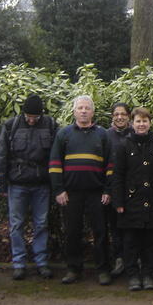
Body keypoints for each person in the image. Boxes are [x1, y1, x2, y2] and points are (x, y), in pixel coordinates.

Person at [49, 95, 113, 286]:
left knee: (101, 232)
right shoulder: (64, 134)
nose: (83, 111)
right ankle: (73, 269)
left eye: (87, 108)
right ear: (74, 111)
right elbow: (54, 164)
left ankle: (103, 269)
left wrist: (107, 190)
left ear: (93, 112)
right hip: (71, 193)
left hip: (97, 192)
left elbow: (111, 165)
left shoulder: (102, 134)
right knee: (72, 232)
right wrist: (59, 189)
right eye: (80, 108)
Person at [110, 107, 153, 291]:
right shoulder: (123, 145)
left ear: (150, 123)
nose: (141, 124)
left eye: (145, 121)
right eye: (138, 121)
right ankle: (133, 276)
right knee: (130, 242)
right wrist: (118, 202)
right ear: (132, 123)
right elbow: (118, 176)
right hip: (130, 203)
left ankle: (147, 274)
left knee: (150, 243)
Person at [0, 94, 58, 281]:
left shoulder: (51, 125)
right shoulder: (11, 125)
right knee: (16, 225)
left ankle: (41, 262)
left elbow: (56, 157)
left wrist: (56, 185)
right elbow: (2, 156)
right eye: (29, 117)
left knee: (42, 224)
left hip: (42, 184)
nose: (32, 121)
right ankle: (19, 263)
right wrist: (1, 184)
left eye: (35, 118)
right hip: (17, 184)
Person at [106, 103, 131, 278]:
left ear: (129, 116)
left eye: (123, 114)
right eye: (116, 114)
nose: (119, 117)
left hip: (133, 190)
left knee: (132, 227)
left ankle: (133, 260)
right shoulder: (105, 136)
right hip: (113, 188)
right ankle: (119, 259)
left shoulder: (136, 133)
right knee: (115, 227)